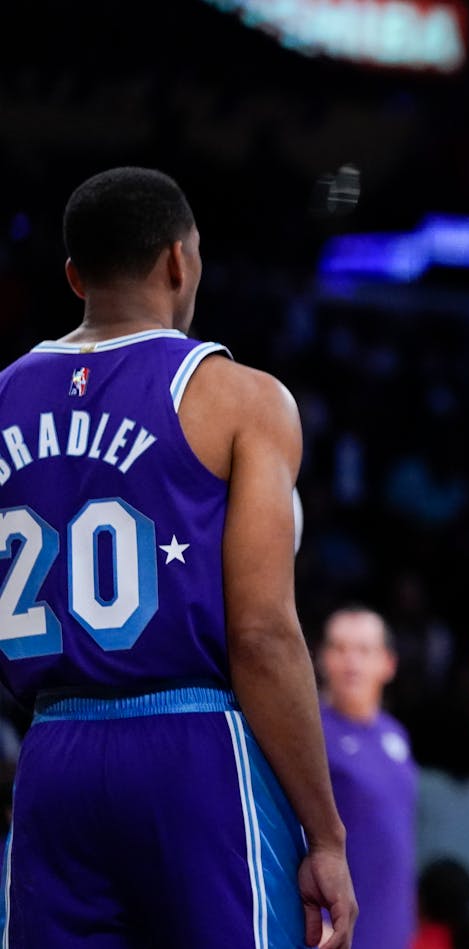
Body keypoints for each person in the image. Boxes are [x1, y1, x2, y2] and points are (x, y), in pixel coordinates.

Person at [0, 167, 356, 947]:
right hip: (193, 750)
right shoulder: (241, 397)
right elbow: (261, 634)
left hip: (50, 751)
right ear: (178, 261)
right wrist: (325, 834)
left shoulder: (3, 395)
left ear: (73, 275)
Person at [318, 607, 417, 949]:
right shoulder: (308, 733)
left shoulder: (396, 736)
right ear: (322, 659)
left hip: (391, 926)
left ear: (388, 663)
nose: (351, 662)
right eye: (339, 648)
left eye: (363, 650)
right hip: (333, 930)